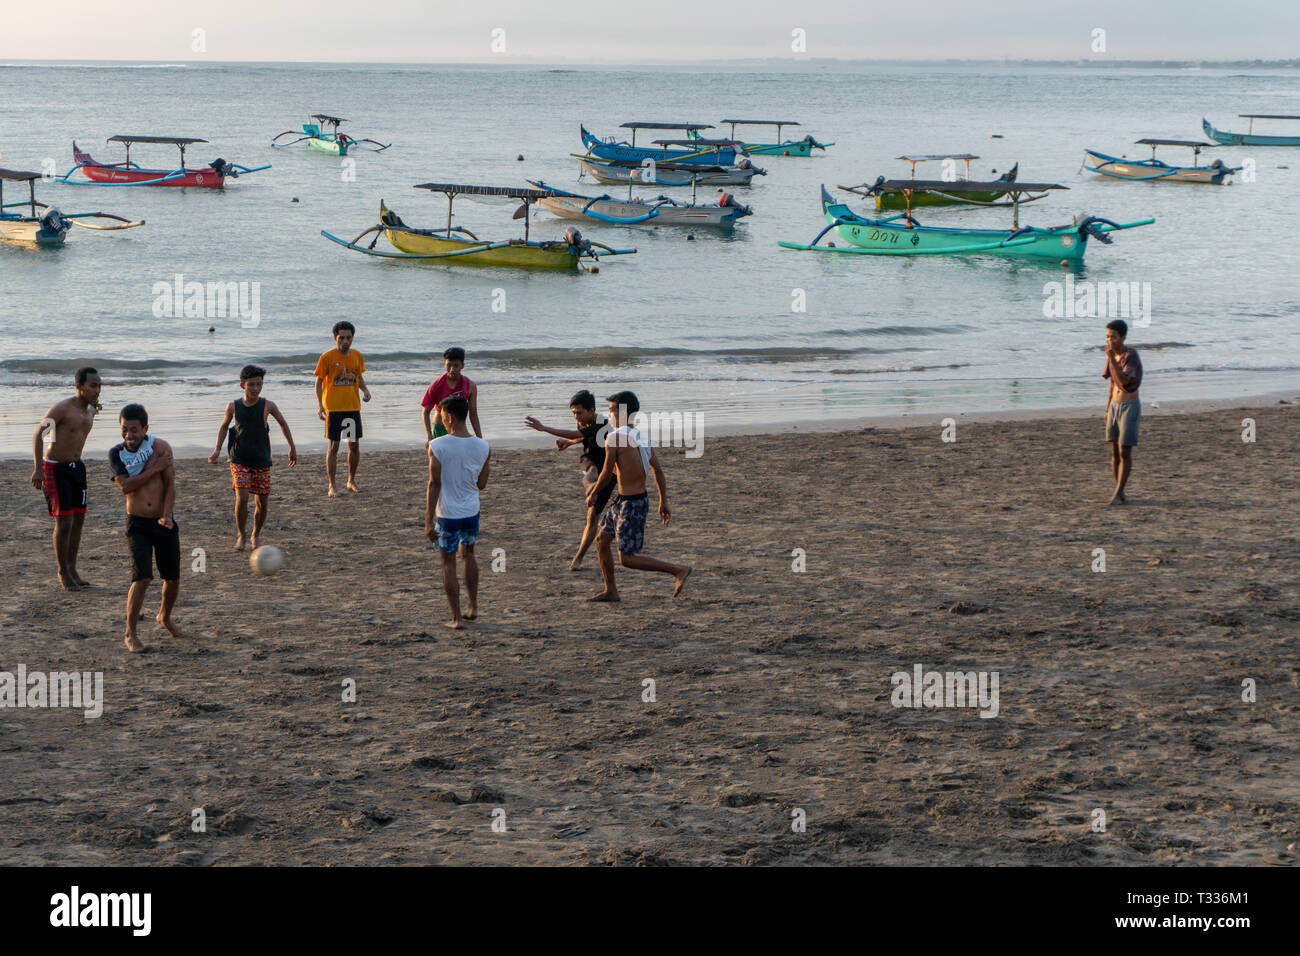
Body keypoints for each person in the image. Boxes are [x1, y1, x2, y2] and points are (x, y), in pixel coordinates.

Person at [587, 391, 691, 601]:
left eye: (611, 410)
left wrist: (593, 493)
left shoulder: (614, 438)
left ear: (622, 412)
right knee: (601, 541)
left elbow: (607, 474)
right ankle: (611, 591)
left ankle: (678, 570)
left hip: (631, 505)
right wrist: (663, 501)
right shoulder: (641, 436)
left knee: (627, 559)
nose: (609, 415)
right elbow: (658, 471)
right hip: (625, 501)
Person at [108, 404, 179, 652]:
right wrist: (154, 468)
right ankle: (130, 632)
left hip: (163, 520)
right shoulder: (116, 453)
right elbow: (126, 486)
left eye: (134, 430)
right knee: (142, 577)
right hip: (137, 523)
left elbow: (170, 484)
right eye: (125, 430)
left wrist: (167, 514)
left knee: (172, 578)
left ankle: (164, 616)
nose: (129, 435)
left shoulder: (161, 448)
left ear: (145, 429)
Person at [207, 365, 298, 549]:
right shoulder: (233, 406)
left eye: (259, 384)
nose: (256, 388)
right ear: (243, 386)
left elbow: (283, 423)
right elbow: (224, 426)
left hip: (261, 458)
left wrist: (292, 447)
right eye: (251, 385)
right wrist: (217, 449)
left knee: (262, 502)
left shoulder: (268, 405)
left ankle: (255, 534)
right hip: (239, 458)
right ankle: (241, 535)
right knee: (242, 498)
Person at [523, 389, 612, 570]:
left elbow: (576, 434)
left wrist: (545, 428)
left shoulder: (603, 423)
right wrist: (568, 443)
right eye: (573, 413)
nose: (576, 417)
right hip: (590, 461)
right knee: (592, 471)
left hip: (610, 471)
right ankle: (591, 491)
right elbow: (581, 436)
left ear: (592, 410)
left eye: (579, 413)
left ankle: (578, 558)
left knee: (592, 518)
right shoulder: (584, 422)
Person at [31, 367, 101, 590]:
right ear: (79, 386)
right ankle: (63, 571)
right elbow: (38, 435)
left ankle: (72, 568)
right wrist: (38, 469)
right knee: (65, 522)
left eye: (99, 385)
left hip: (77, 468)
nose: (97, 390)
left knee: (79, 520)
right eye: (93, 385)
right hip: (55, 469)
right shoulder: (62, 409)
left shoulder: (90, 410)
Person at [425, 395, 490, 629]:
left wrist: (427, 521)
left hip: (447, 513)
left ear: (450, 417)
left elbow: (434, 484)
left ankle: (456, 618)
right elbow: (482, 484)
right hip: (471, 511)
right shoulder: (483, 446)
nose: (441, 421)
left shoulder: (437, 446)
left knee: (448, 563)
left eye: (442, 417)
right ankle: (473, 606)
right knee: (469, 555)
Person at [314, 321, 370, 497]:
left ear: (353, 338)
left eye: (348, 337)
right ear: (335, 338)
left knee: (353, 445)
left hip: (352, 407)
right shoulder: (327, 357)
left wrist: (366, 390)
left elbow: (358, 377)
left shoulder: (357, 356)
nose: (345, 341)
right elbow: (318, 381)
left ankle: (351, 480)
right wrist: (320, 405)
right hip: (334, 409)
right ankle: (332, 485)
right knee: (334, 446)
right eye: (341, 338)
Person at [1103, 319, 1143, 506]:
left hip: (1129, 405)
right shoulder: (1111, 356)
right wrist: (1107, 407)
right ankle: (1120, 489)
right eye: (1108, 337)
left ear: (1123, 338)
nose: (1110, 340)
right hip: (1115, 406)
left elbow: (1124, 380)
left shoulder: (1130, 355)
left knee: (1124, 450)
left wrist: (1112, 358)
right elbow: (1112, 382)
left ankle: (1118, 493)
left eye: (1114, 337)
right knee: (1114, 451)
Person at [421, 347, 482, 441]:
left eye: (456, 365)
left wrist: (479, 438)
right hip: (440, 429)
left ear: (462, 365)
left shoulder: (470, 386)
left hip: (460, 430)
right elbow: (425, 412)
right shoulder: (436, 385)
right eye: (449, 365)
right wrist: (429, 435)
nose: (452, 369)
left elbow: (473, 414)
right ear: (444, 364)